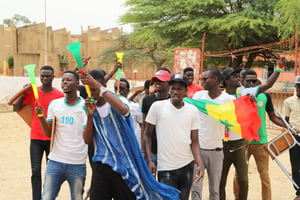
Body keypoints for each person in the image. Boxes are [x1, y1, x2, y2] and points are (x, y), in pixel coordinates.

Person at [81, 69, 180, 200]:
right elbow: (87, 140)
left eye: (96, 88)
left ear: (103, 85)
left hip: (124, 166)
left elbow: (123, 110)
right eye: (91, 89)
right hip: (101, 165)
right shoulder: (87, 107)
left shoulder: (118, 101)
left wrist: (97, 86)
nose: (94, 92)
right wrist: (90, 115)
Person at [144, 73, 203, 200]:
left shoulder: (193, 111)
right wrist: (149, 160)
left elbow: (195, 142)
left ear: (186, 91)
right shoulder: (157, 107)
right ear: (169, 89)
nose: (176, 92)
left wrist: (199, 163)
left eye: (180, 89)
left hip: (187, 166)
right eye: (173, 88)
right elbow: (147, 135)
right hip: (165, 168)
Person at [234, 69, 288, 200]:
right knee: (239, 176)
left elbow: (273, 117)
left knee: (265, 176)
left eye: (255, 81)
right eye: (248, 81)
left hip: (261, 143)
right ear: (242, 82)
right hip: (243, 142)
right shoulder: (238, 95)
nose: (252, 84)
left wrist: (289, 126)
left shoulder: (264, 96)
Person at [13, 65, 64, 200]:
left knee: (50, 172)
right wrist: (24, 92)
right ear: (39, 77)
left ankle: (47, 196)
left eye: (48, 76)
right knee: (35, 171)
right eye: (42, 76)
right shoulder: (33, 92)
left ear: (53, 77)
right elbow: (16, 107)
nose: (45, 78)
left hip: (52, 139)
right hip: (35, 138)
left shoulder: (59, 96)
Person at [36, 71, 88, 200]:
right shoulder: (55, 105)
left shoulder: (85, 106)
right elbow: (49, 133)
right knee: (47, 197)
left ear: (77, 84)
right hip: (55, 162)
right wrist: (41, 117)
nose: (64, 82)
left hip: (77, 163)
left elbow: (88, 136)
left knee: (77, 197)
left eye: (69, 80)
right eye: (63, 80)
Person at [191, 68, 236, 200]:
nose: (202, 82)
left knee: (215, 190)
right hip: (198, 150)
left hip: (216, 151)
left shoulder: (228, 99)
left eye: (205, 79)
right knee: (196, 188)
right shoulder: (198, 97)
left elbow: (239, 115)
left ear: (215, 79)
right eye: (202, 79)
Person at [219, 68, 249, 200]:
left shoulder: (243, 96)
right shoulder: (219, 98)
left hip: (240, 143)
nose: (238, 78)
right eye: (234, 76)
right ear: (226, 81)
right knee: (221, 180)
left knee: (243, 180)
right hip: (223, 144)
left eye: (238, 76)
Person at [141, 69, 171, 173]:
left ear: (168, 84)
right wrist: (143, 149)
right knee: (150, 181)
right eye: (155, 80)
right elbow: (144, 126)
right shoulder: (147, 100)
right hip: (151, 149)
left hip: (167, 151)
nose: (157, 83)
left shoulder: (173, 101)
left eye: (161, 80)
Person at [284, 75, 300, 200]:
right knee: (295, 166)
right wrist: (290, 128)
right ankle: (298, 192)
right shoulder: (288, 101)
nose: (299, 88)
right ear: (295, 87)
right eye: (298, 86)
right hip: (295, 138)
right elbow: (286, 120)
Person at [114, 78, 143, 148]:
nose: (119, 91)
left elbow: (143, 127)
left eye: (122, 88)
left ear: (128, 91)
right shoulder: (109, 106)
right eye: (116, 88)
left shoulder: (135, 107)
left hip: (132, 146)